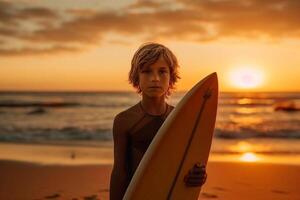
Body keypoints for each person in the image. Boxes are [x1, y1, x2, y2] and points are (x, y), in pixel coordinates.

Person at [109, 42, 207, 200]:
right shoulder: (124, 120)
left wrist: (199, 175)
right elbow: (119, 172)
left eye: (162, 72)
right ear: (136, 78)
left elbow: (189, 164)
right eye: (146, 71)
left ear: (171, 78)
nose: (155, 78)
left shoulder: (181, 119)